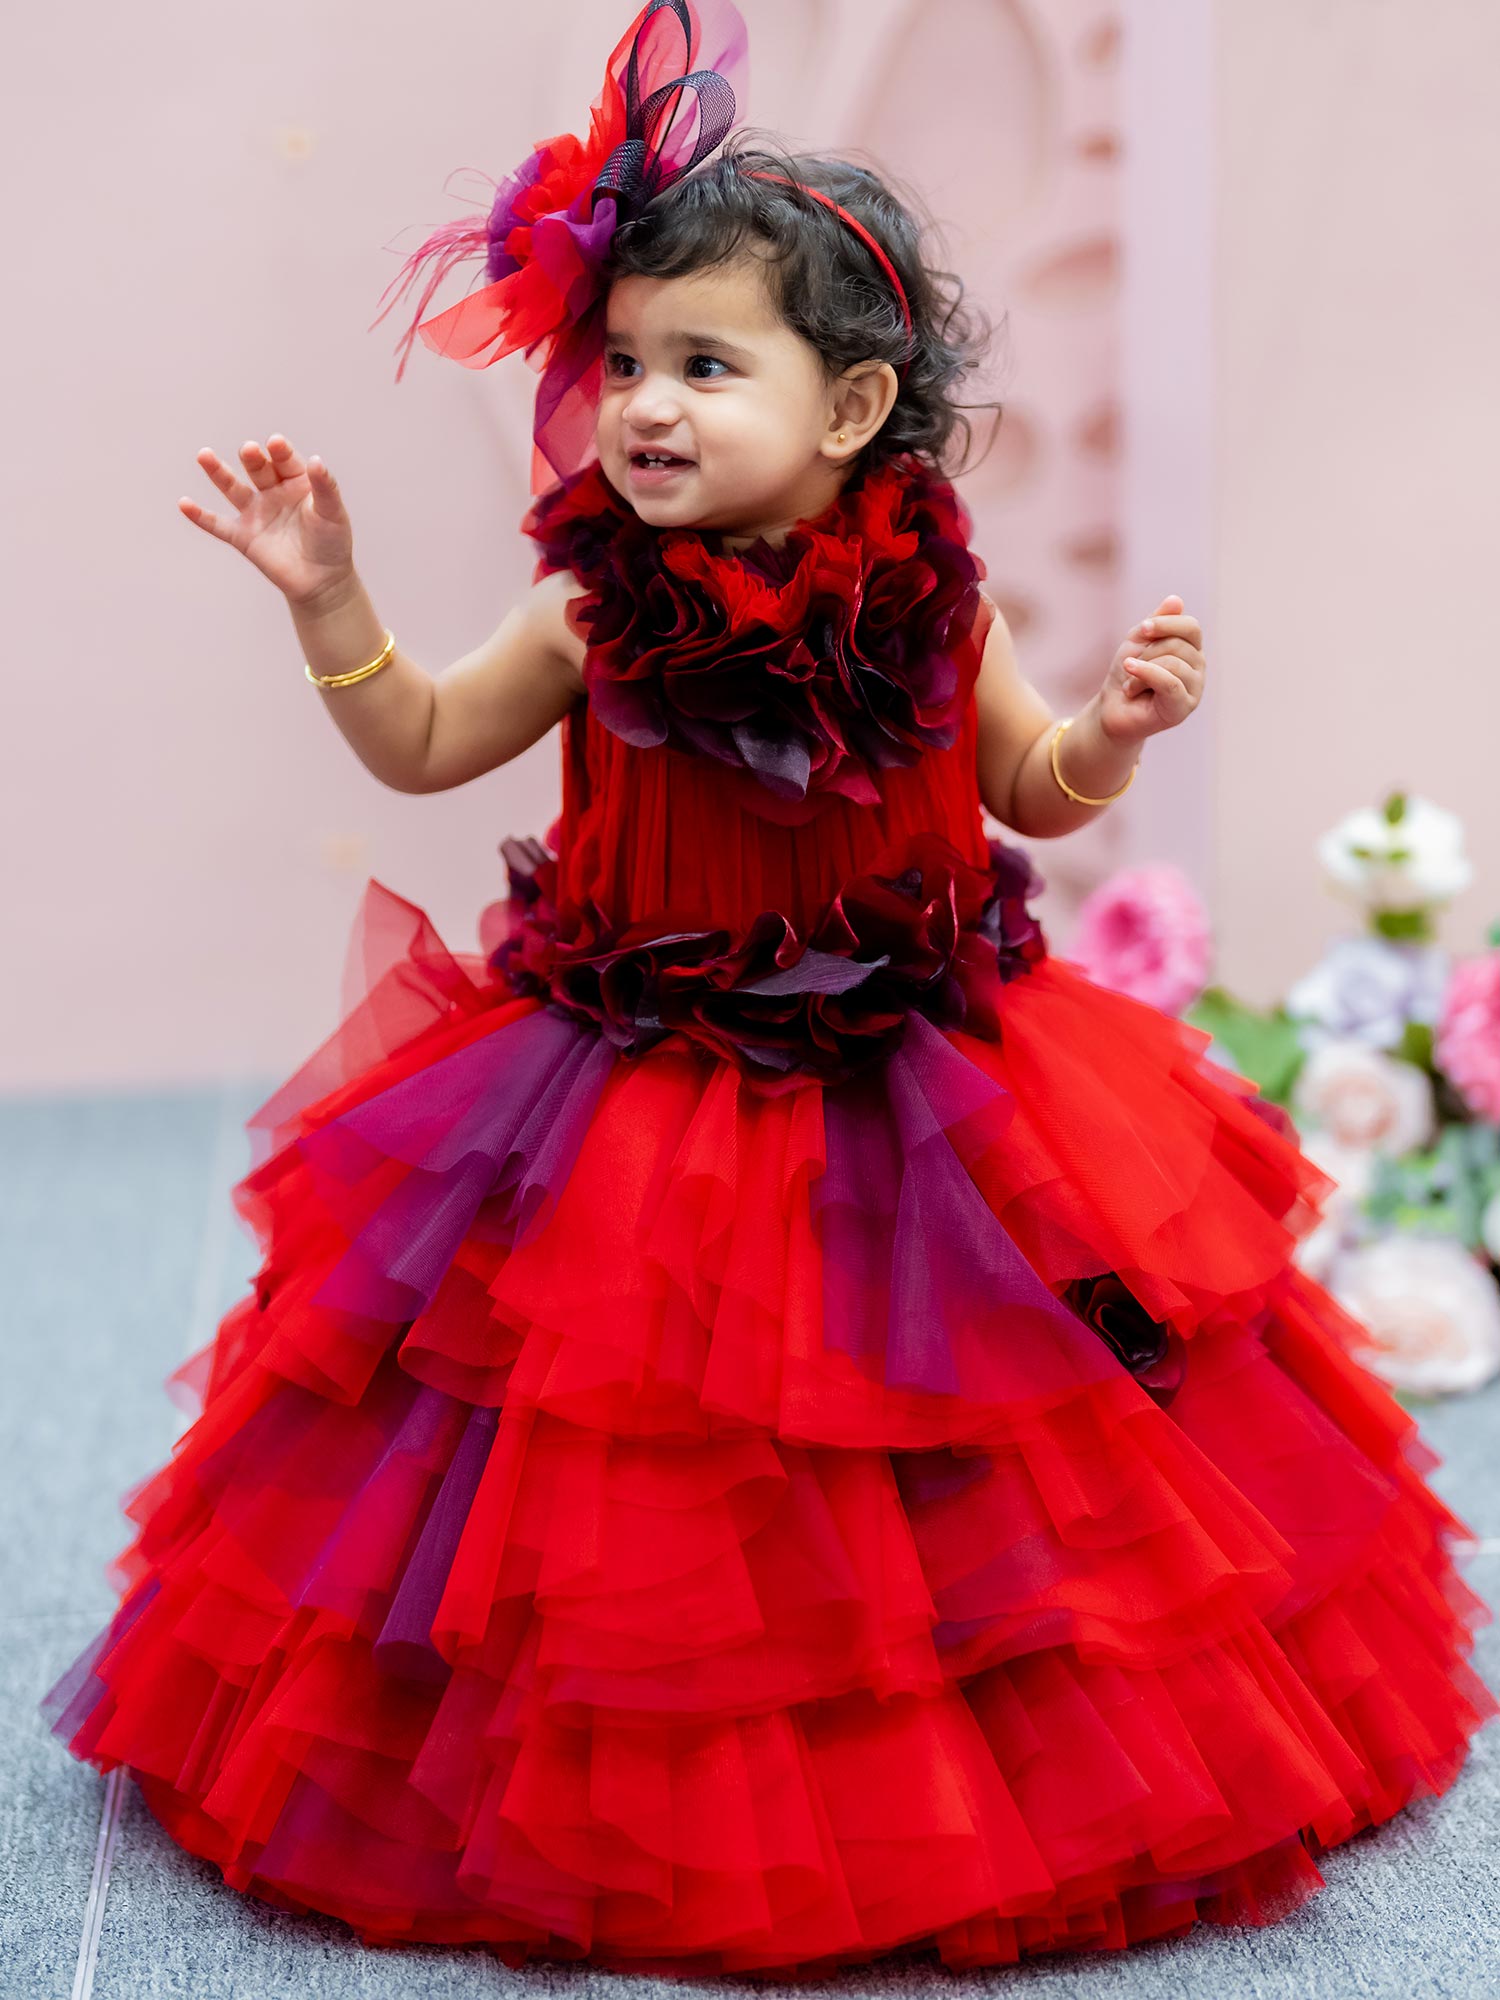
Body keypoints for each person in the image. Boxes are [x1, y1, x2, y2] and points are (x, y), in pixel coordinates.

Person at [41, 0, 1495, 1975]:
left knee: (971, 1437)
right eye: (623, 360)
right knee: (642, 1454)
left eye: (705, 364)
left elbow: (1024, 785)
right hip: (632, 1089)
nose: (642, 402)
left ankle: (970, 1758)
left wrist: (1119, 733)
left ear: (848, 407)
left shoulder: (941, 600)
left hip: (931, 1085)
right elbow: (425, 741)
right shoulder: (584, 605)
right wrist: (331, 604)